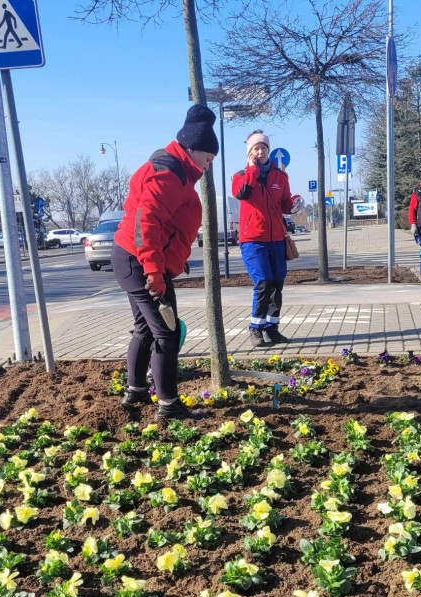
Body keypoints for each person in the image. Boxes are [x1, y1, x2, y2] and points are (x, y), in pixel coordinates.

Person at [112, 104, 218, 420]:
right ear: (192, 149)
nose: (209, 165)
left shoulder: (173, 168)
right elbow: (147, 222)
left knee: (145, 329)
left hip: (132, 259)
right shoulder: (169, 174)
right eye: (209, 158)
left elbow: (163, 222)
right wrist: (155, 270)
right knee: (167, 333)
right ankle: (169, 406)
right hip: (140, 264)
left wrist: (173, 258)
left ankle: (136, 391)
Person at [232, 130, 302, 348]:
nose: (260, 151)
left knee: (276, 283)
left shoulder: (280, 176)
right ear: (249, 152)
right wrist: (253, 170)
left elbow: (284, 205)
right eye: (255, 148)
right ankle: (255, 329)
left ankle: (272, 328)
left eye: (263, 148)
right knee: (262, 282)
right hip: (253, 239)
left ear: (269, 151)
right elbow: (242, 193)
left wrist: (294, 203)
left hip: (276, 239)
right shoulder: (241, 174)